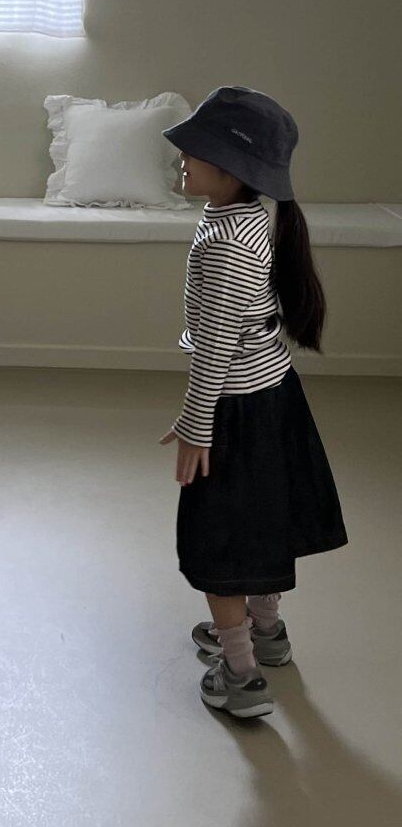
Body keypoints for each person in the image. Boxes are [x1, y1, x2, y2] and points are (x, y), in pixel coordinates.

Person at [160, 86, 348, 720]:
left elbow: (216, 346)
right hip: (273, 397)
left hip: (237, 410)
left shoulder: (226, 243)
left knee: (220, 542)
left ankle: (240, 674)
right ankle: (267, 633)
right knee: (264, 523)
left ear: (232, 169)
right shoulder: (245, 220)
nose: (183, 157)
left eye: (196, 149)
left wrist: (196, 426)